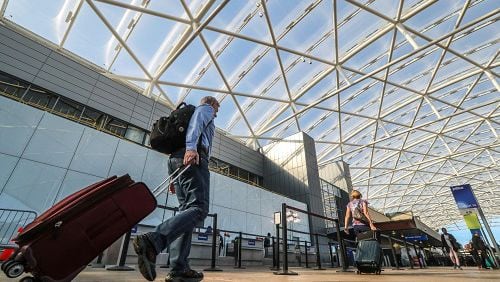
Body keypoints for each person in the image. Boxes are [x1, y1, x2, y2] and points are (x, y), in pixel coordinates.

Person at [133, 96, 220, 282]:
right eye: (217, 107)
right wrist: (191, 149)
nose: (217, 112)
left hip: (176, 161)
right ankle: (152, 241)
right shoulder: (205, 109)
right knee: (199, 209)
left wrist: (174, 177)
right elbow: (196, 124)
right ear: (212, 103)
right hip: (193, 157)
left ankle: (179, 269)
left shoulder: (195, 113)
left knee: (186, 213)